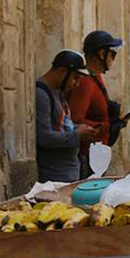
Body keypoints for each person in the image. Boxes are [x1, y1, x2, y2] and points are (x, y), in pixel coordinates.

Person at [69, 30, 128, 172]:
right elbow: (75, 119)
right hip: (87, 156)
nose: (113, 59)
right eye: (112, 54)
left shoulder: (96, 77)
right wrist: (104, 126)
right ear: (101, 54)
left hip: (97, 154)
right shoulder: (85, 82)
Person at [35, 51, 98, 183]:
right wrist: (77, 135)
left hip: (68, 173)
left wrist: (78, 128)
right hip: (54, 176)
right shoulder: (41, 94)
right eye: (75, 78)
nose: (76, 84)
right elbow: (44, 137)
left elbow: (61, 126)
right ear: (62, 71)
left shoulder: (58, 93)